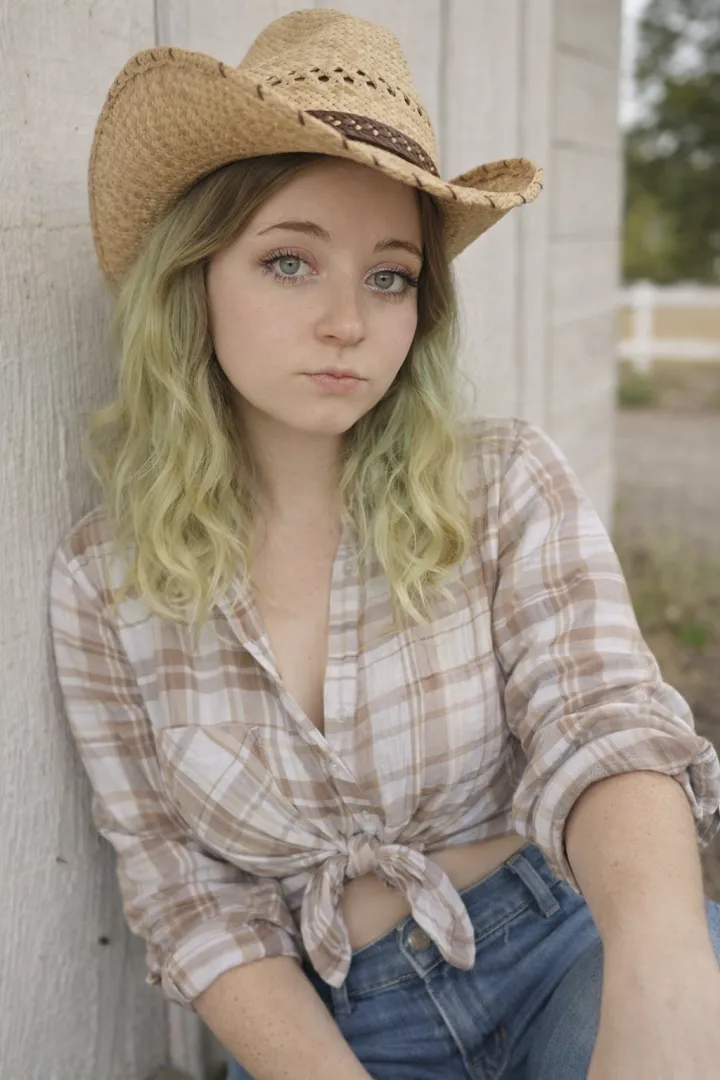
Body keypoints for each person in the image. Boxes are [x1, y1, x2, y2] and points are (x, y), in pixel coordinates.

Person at [48, 9, 720, 1080]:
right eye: (289, 262)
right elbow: (188, 899)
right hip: (327, 1025)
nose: (348, 322)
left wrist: (666, 983)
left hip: (566, 949)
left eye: (389, 275)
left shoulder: (502, 483)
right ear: (196, 275)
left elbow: (604, 722)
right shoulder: (103, 581)